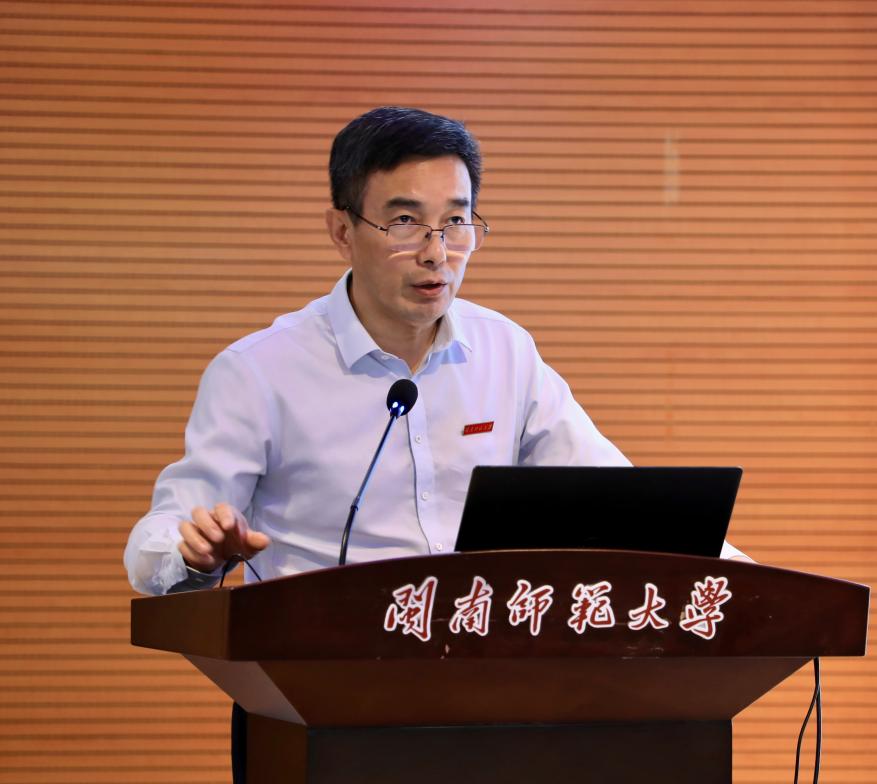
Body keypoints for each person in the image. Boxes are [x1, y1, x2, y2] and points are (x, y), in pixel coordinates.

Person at [124, 105, 749, 783]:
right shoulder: (259, 372)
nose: (436, 251)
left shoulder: (505, 352)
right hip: (319, 707)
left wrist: (753, 586)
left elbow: (621, 502)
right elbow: (159, 539)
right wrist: (195, 552)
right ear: (341, 230)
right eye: (404, 222)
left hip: (495, 703)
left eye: (456, 221)